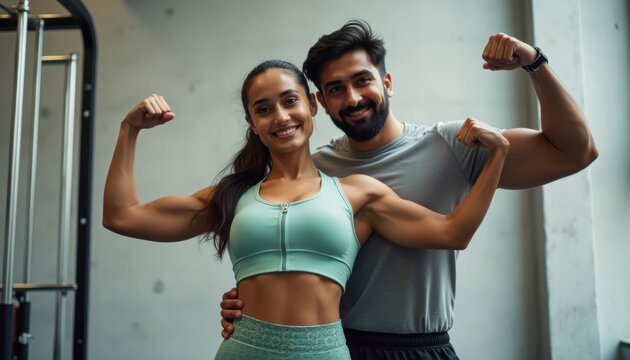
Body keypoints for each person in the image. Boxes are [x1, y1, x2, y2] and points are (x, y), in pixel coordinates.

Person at [219, 21, 599, 359]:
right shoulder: (313, 171)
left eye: (362, 80)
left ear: (387, 82)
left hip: (423, 345)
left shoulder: (454, 144)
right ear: (320, 103)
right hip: (337, 346)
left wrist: (534, 62)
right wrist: (248, 304)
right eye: (336, 89)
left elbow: (575, 152)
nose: (352, 98)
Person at [102, 59, 510, 359]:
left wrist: (497, 157)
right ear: (253, 122)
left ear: (312, 106)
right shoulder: (231, 195)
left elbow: (453, 232)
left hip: (326, 351)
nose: (280, 117)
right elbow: (122, 216)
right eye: (263, 109)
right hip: (246, 350)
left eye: (289, 101)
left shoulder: (358, 194)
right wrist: (129, 129)